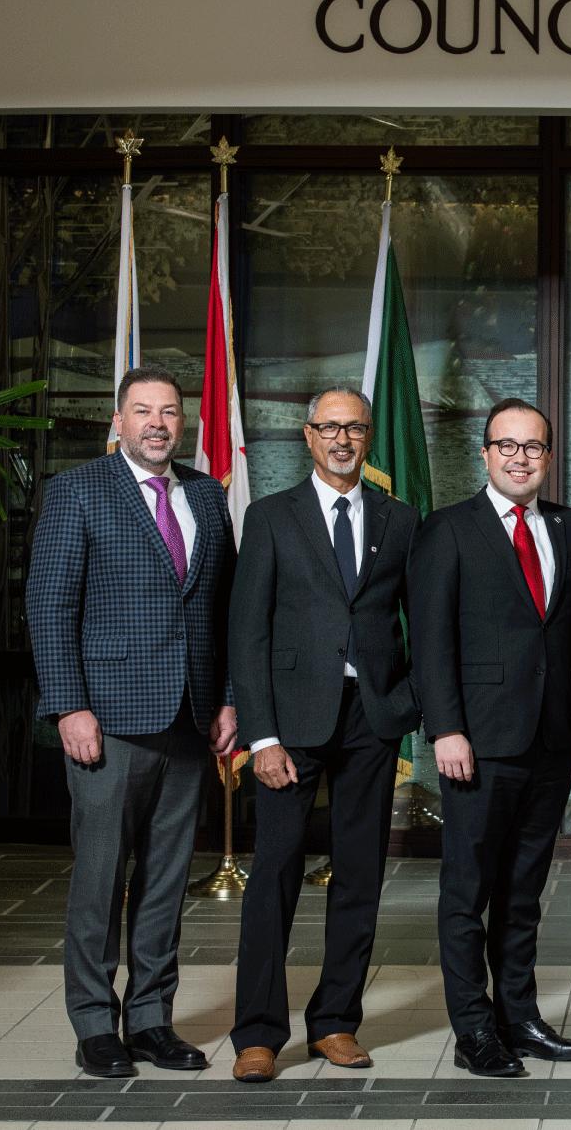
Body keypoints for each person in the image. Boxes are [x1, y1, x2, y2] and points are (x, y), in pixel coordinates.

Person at [26, 365, 239, 1078]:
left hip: (189, 717)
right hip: (107, 719)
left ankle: (150, 1019)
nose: (157, 423)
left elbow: (223, 608)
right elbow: (49, 604)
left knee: (166, 880)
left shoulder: (206, 495)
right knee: (99, 877)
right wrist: (69, 704)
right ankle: (94, 1024)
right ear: (116, 421)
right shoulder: (79, 491)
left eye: (169, 411)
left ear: (185, 423)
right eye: (142, 411)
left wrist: (228, 698)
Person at [226, 385, 421, 1083]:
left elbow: (422, 618)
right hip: (291, 723)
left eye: (355, 428)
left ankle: (336, 1021)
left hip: (371, 718)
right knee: (274, 874)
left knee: (359, 874)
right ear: (308, 436)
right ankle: (257, 1033)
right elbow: (247, 632)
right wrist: (261, 736)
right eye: (329, 427)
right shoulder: (271, 517)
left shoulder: (399, 519)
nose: (342, 439)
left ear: (368, 438)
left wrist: (406, 700)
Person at [409, 398, 571, 1078]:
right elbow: (430, 638)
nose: (521, 458)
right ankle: (474, 1028)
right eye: (507, 446)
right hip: (479, 739)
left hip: (553, 735)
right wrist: (446, 728)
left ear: (548, 455)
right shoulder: (447, 529)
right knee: (468, 891)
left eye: (533, 447)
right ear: (486, 454)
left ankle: (519, 1017)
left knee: (524, 888)